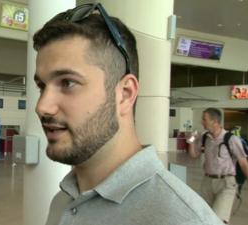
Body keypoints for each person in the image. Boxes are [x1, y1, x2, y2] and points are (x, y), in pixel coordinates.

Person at [33, 3, 223, 225]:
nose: (42, 106)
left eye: (68, 82)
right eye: (42, 86)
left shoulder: (183, 219)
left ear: (125, 94)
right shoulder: (64, 200)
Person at [187, 108, 248, 224]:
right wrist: (191, 141)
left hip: (226, 183)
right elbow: (193, 155)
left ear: (214, 121)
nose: (202, 122)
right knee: (205, 218)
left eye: (204, 119)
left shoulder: (232, 139)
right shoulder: (206, 137)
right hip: (207, 182)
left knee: (217, 220)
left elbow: (244, 164)